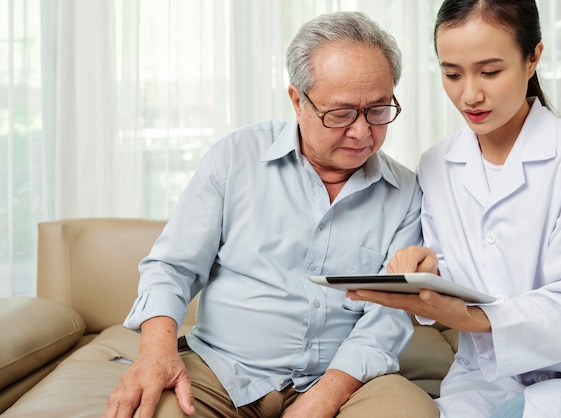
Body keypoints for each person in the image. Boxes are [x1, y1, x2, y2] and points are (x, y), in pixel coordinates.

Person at [104, 11, 439, 418]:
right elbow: (172, 267)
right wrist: (156, 353)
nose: (362, 132)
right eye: (341, 113)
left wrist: (324, 397)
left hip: (344, 381)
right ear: (298, 101)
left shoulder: (406, 193)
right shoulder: (235, 158)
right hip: (222, 370)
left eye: (379, 110)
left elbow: (387, 317)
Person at [347, 1, 561, 417]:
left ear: (533, 59)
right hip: (481, 380)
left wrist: (471, 318)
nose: (469, 94)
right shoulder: (436, 164)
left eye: (490, 72)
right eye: (452, 73)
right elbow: (453, 271)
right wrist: (426, 269)